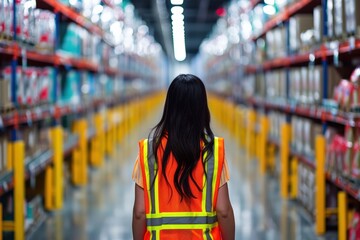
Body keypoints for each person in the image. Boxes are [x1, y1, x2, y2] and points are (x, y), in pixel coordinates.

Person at [132, 74, 235, 240]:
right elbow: (223, 211)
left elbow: (140, 212)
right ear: (202, 107)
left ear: (169, 107)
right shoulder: (214, 151)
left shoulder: (148, 150)